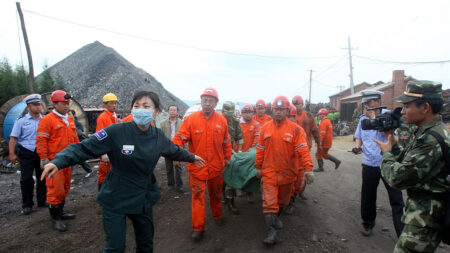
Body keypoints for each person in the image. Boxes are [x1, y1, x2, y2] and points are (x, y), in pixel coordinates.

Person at [41, 91, 205, 253]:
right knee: (115, 248)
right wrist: (58, 161)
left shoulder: (158, 136)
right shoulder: (116, 131)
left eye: (146, 106)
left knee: (146, 245)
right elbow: (84, 147)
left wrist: (192, 157)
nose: (140, 109)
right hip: (116, 196)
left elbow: (174, 150)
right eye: (136, 106)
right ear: (132, 109)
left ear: (156, 111)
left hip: (143, 196)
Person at [375, 80, 449, 252]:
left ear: (425, 108)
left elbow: (398, 178)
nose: (402, 111)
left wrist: (386, 154)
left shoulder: (430, 140)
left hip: (425, 218)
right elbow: (410, 162)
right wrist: (393, 144)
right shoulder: (427, 132)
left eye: (407, 106)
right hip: (421, 212)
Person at [172, 87, 232, 242]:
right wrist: (175, 154)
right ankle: (198, 228)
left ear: (216, 103)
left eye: (210, 101)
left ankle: (217, 216)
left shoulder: (221, 121)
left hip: (216, 167)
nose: (207, 103)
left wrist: (227, 157)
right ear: (201, 101)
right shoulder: (191, 120)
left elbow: (226, 142)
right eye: (204, 100)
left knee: (216, 193)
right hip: (197, 167)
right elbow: (179, 138)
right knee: (198, 196)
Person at [255, 95, 314, 245]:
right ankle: (271, 233)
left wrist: (308, 168)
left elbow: (303, 150)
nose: (278, 112)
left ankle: (275, 219)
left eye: (282, 110)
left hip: (287, 175)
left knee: (283, 201)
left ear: (287, 111)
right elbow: (260, 149)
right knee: (269, 203)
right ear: (272, 110)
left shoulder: (296, 130)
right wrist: (258, 166)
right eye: (276, 109)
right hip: (269, 174)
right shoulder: (265, 128)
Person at [353, 90, 404, 237]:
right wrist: (358, 146)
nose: (366, 106)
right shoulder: (363, 118)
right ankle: (367, 224)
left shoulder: (390, 116)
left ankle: (402, 232)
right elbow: (359, 135)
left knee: (396, 199)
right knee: (368, 196)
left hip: (388, 162)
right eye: (365, 104)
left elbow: (392, 137)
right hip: (369, 164)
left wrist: (376, 119)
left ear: (378, 102)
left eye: (369, 103)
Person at [36, 90, 79, 232]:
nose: (66, 106)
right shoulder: (47, 120)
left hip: (67, 161)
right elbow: (41, 140)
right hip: (54, 162)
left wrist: (79, 153)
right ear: (54, 104)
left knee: (65, 187)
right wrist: (43, 158)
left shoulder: (70, 119)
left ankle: (61, 212)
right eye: (63, 103)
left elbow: (75, 138)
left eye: (68, 103)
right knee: (55, 189)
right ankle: (55, 218)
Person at [8, 94, 47, 215]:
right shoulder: (21, 121)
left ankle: (42, 200)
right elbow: (13, 138)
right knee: (26, 180)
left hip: (41, 152)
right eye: (35, 105)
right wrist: (12, 153)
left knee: (43, 178)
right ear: (29, 107)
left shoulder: (45, 120)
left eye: (39, 104)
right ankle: (27, 204)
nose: (38, 107)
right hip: (26, 152)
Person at [222, 101, 244, 214]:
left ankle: (230, 201)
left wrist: (239, 151)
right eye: (227, 114)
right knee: (220, 179)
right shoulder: (218, 121)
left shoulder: (235, 122)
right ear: (222, 111)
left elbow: (239, 137)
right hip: (218, 154)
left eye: (231, 114)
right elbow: (220, 141)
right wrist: (231, 151)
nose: (229, 116)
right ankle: (222, 196)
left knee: (230, 177)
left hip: (230, 154)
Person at [96, 93, 119, 190]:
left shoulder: (114, 117)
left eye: (115, 103)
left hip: (113, 150)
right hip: (106, 151)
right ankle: (101, 193)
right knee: (104, 173)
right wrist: (103, 153)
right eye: (111, 103)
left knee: (113, 172)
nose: (114, 105)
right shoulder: (103, 117)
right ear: (105, 104)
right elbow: (100, 136)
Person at [160, 105, 185, 192]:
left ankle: (179, 185)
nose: (172, 111)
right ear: (168, 111)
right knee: (168, 167)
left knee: (178, 167)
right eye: (171, 110)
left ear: (177, 112)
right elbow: (161, 136)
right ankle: (170, 184)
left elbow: (184, 136)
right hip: (167, 147)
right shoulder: (163, 123)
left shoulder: (182, 123)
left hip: (178, 147)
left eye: (174, 110)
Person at [68, 109, 93, 177]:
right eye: (67, 114)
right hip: (71, 144)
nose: (68, 116)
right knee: (77, 159)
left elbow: (80, 133)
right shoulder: (66, 123)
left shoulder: (77, 123)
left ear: (74, 115)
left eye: (70, 114)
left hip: (78, 143)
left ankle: (89, 170)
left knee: (77, 159)